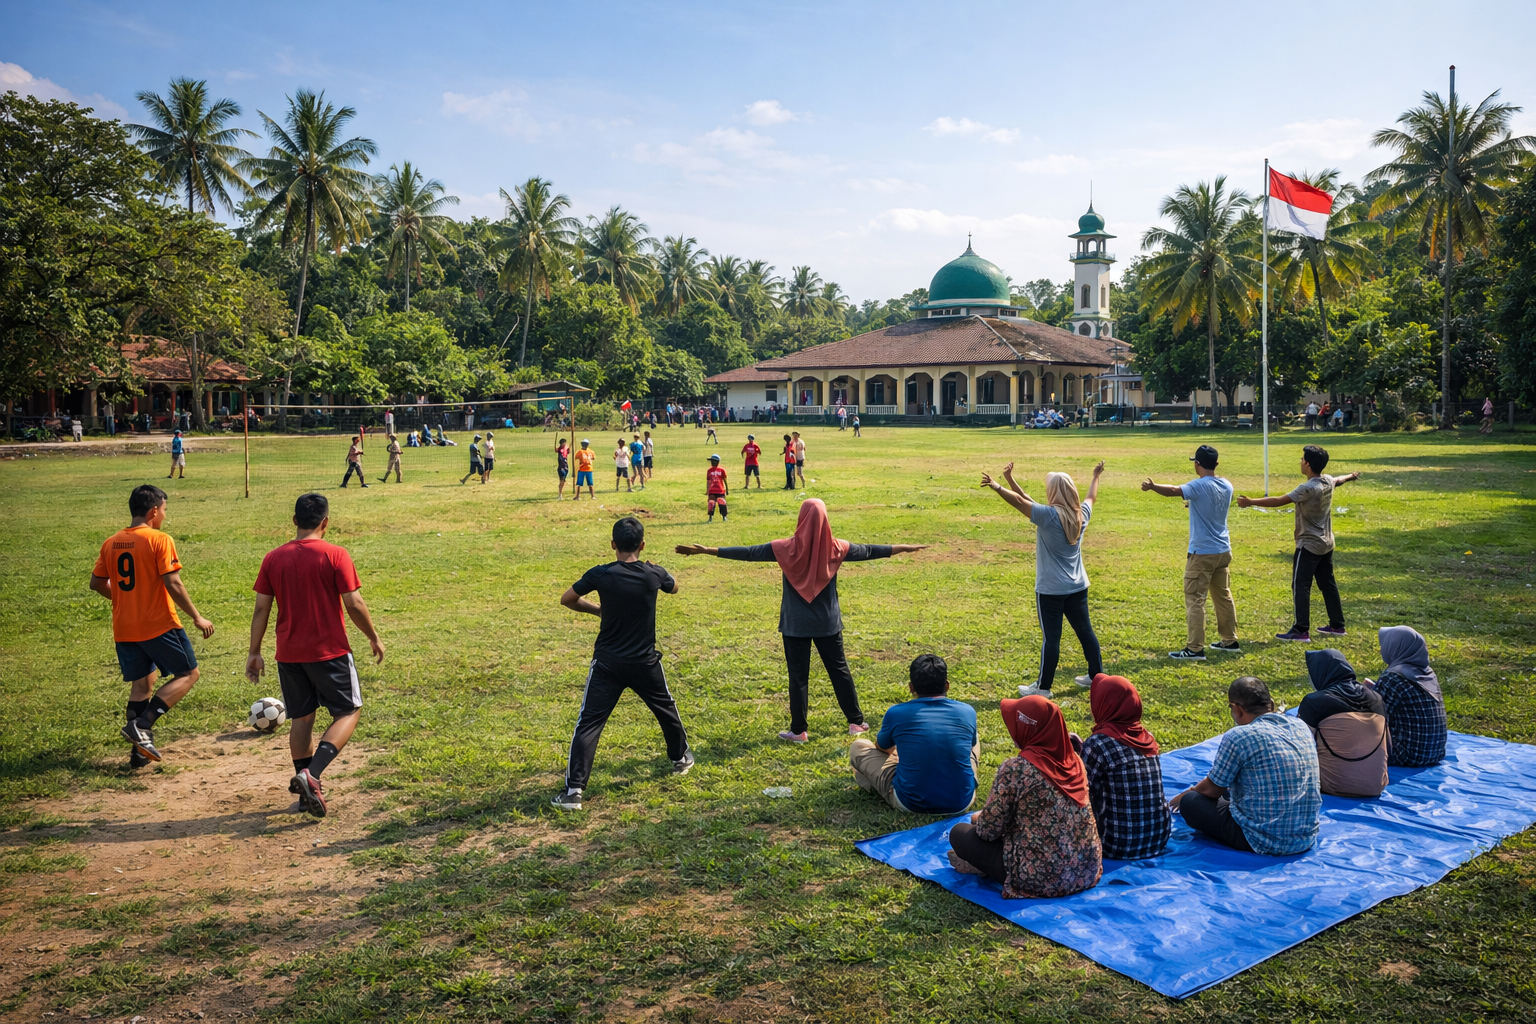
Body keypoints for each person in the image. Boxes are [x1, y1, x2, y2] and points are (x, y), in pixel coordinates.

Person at [676, 499, 928, 741]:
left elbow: (749, 553)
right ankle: (856, 721)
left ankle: (799, 730)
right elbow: (872, 550)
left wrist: (709, 551)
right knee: (839, 671)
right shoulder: (837, 547)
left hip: (795, 625)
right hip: (828, 624)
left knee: (798, 676)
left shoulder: (784, 548)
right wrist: (904, 547)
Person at [247, 493, 384, 817]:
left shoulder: (273, 558)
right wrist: (374, 637)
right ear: (325, 523)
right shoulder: (335, 554)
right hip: (330, 652)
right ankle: (312, 774)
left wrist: (254, 652)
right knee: (349, 711)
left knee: (302, 719)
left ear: (294, 521)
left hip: (289, 655)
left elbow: (261, 608)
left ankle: (304, 790)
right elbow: (354, 603)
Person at [553, 517, 693, 811]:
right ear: (642, 545)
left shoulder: (601, 574)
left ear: (613, 545)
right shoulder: (653, 574)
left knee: (589, 723)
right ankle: (680, 759)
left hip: (607, 664)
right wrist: (656, 568)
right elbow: (675, 587)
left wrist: (598, 611)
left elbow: (568, 599)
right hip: (644, 661)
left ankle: (574, 792)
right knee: (665, 707)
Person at [90, 485, 216, 766]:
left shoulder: (111, 542)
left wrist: (126, 597)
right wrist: (197, 616)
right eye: (165, 511)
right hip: (158, 625)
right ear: (154, 511)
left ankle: (138, 754)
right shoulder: (159, 539)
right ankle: (143, 725)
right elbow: (173, 582)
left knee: (142, 686)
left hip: (125, 627)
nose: (165, 517)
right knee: (189, 674)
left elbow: (96, 583)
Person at [947, 696, 1103, 897]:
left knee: (959, 832)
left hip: (1040, 878)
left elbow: (987, 831)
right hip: (1085, 870)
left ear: (1028, 729)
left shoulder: (1017, 769)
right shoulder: (1075, 762)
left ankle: (981, 867)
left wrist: (981, 818)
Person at [982, 461, 1105, 697]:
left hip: (1051, 590)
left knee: (1052, 639)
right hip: (1078, 586)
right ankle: (1096, 676)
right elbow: (1091, 497)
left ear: (1054, 493)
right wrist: (1096, 476)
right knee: (1085, 632)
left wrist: (998, 487)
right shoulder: (1081, 514)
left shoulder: (1048, 516)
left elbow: (1021, 503)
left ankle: (1043, 688)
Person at [1169, 676, 1321, 855]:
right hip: (1305, 837)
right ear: (1270, 704)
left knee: (1191, 802)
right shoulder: (1299, 726)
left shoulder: (1239, 736)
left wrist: (1184, 796)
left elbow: (1212, 790)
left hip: (1262, 840)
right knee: (1228, 786)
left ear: (1236, 709)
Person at [1238, 445, 1361, 642]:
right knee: (1327, 584)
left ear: (1308, 464)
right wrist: (1351, 476)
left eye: (1302, 459)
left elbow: (1279, 500)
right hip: (1326, 543)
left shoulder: (1307, 488)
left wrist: (1251, 502)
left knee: (1300, 585)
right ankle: (1337, 625)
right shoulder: (1327, 480)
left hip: (1309, 545)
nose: (1300, 462)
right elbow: (1340, 480)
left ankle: (1300, 629)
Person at [1141, 444, 1239, 660]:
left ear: (1197, 464)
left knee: (1195, 598)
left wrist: (1153, 486)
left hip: (1202, 553)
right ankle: (1229, 640)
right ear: (1217, 463)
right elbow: (1213, 505)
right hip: (1223, 550)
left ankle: (1195, 648)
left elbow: (1175, 491)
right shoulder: (1227, 485)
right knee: (1223, 596)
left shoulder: (1198, 486)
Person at [851, 654, 978, 814]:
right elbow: (970, 745)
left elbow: (882, 747)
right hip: (962, 801)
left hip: (911, 803)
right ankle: (967, 779)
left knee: (858, 746)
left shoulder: (896, 713)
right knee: (975, 740)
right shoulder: (967, 711)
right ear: (947, 686)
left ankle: (873, 786)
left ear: (911, 687)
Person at [1077, 674, 1171, 859]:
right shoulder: (1147, 737)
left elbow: (1081, 792)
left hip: (1116, 845)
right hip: (1158, 840)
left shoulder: (1098, 744)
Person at [1299, 649, 1389, 798]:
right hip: (1375, 787)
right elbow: (1388, 748)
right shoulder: (1376, 699)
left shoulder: (1315, 702)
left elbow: (1301, 748)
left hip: (1331, 786)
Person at [1369, 626, 1446, 767]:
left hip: (1407, 755)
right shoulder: (1428, 673)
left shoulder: (1393, 677)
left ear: (1394, 647)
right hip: (1435, 753)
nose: (1381, 650)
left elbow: (1373, 716)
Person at [705, 453, 729, 522]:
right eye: (711, 461)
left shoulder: (721, 470)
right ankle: (710, 517)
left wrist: (727, 489)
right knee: (711, 504)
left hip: (720, 490)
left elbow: (724, 480)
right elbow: (708, 481)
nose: (712, 463)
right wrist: (707, 490)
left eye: (713, 461)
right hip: (712, 490)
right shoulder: (709, 471)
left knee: (722, 503)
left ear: (717, 462)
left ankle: (724, 516)